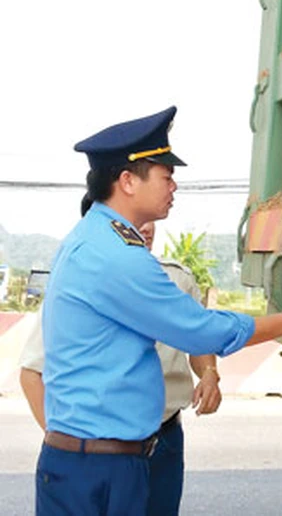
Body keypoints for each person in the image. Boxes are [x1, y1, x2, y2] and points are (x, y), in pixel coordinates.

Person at [36, 105, 282, 516]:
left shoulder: (93, 238)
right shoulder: (116, 256)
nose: (174, 187)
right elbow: (200, 331)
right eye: (166, 176)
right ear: (127, 181)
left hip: (90, 462)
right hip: (99, 471)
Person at [20, 218, 224, 516]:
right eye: (132, 216)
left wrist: (209, 373)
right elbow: (31, 373)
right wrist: (68, 445)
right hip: (98, 450)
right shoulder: (79, 279)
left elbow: (199, 335)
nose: (145, 227)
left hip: (164, 439)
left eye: (149, 217)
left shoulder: (177, 279)